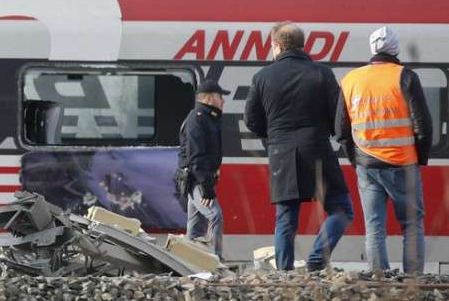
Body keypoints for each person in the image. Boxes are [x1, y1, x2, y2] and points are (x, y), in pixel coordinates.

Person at [245, 21, 353, 271]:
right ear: (301, 45)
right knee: (342, 210)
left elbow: (251, 120)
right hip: (317, 148)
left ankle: (284, 273)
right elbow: (338, 115)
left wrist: (274, 136)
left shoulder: (262, 77)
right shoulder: (322, 73)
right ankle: (317, 258)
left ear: (277, 46)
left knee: (286, 219)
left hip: (281, 153)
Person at [337, 26, 431, 275]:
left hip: (366, 165)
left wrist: (356, 159)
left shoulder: (351, 79)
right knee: (411, 224)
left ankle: (379, 279)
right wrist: (420, 158)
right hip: (403, 164)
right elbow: (423, 125)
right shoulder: (406, 77)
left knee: (374, 227)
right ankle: (412, 280)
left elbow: (341, 129)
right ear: (396, 49)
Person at [178, 80, 229, 259]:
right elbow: (196, 157)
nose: (223, 101)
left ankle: (189, 261)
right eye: (220, 97)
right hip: (197, 180)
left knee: (196, 229)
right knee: (215, 215)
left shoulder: (207, 118)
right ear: (209, 98)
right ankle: (216, 260)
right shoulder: (198, 119)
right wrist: (206, 188)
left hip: (200, 179)